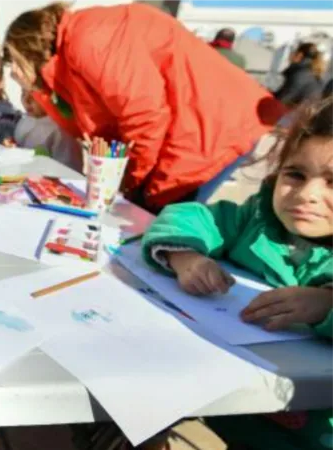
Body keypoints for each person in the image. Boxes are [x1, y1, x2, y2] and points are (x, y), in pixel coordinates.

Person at [142, 99, 333, 450]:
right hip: (229, 406)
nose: (307, 195)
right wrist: (185, 255)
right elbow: (190, 216)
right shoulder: (256, 220)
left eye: (332, 182)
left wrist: (325, 304)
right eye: (295, 175)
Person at [3, 3, 286, 212]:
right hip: (187, 133)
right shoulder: (70, 57)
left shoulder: (88, 38)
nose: (12, 70)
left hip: (208, 132)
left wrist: (131, 183)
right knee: (143, 223)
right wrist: (39, 91)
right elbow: (92, 125)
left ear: (27, 48)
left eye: (13, 60)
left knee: (159, 227)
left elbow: (144, 115)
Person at [15, 89, 80, 171]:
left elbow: (68, 171)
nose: (26, 101)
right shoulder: (27, 118)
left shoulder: (61, 131)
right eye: (23, 93)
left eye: (33, 95)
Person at [273, 42, 326, 108]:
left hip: (291, 115)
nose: (290, 55)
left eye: (293, 52)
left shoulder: (300, 74)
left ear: (299, 55)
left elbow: (282, 100)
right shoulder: (312, 74)